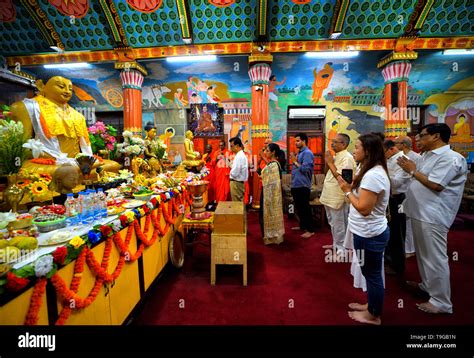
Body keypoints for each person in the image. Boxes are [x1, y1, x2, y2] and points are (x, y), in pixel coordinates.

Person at [397, 123, 468, 314]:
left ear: (436, 136)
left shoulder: (451, 158)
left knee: (435, 258)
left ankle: (441, 302)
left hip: (433, 214)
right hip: (420, 212)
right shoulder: (427, 155)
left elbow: (437, 185)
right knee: (424, 255)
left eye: (422, 135)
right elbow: (418, 177)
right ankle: (428, 287)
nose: (418, 139)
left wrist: (412, 170)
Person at [10, 75, 120, 177]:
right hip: (49, 163)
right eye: (61, 86)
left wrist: (85, 159)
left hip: (75, 162)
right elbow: (21, 149)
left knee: (112, 165)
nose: (67, 91)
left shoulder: (77, 115)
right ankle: (82, 173)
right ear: (41, 86)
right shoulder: (25, 108)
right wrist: (46, 155)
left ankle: (82, 172)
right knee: (60, 171)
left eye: (70, 89)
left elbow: (83, 149)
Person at [337, 133, 391, 325]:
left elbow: (364, 208)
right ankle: (371, 305)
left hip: (371, 234)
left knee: (373, 275)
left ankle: (374, 315)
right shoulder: (369, 170)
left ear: (368, 151)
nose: (354, 150)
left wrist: (347, 191)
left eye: (357, 147)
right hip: (365, 232)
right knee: (369, 272)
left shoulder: (374, 175)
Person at [320, 133, 355, 254]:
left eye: (335, 142)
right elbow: (327, 173)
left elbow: (343, 179)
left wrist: (330, 163)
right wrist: (327, 162)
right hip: (329, 194)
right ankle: (336, 244)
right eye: (332, 141)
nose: (332, 143)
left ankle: (342, 250)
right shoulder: (336, 156)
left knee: (339, 223)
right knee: (332, 222)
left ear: (344, 144)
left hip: (338, 196)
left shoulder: (347, 158)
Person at [383, 139, 412, 275]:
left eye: (383, 152)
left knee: (397, 233)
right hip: (389, 198)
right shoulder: (390, 160)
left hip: (398, 199)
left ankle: (397, 266)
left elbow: (397, 183)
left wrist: (381, 175)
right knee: (389, 231)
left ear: (390, 149)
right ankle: (389, 260)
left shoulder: (403, 160)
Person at [289, 133, 315, 239]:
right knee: (299, 208)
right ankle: (302, 226)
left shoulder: (307, 153)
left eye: (298, 141)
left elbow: (305, 169)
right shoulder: (299, 153)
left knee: (305, 208)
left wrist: (295, 161)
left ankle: (310, 230)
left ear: (304, 141)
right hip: (296, 184)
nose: (296, 143)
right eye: (295, 141)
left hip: (303, 185)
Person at [260, 143, 285, 245]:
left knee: (268, 214)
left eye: (267, 151)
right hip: (271, 192)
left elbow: (266, 177)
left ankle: (271, 237)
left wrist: (262, 176)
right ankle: (271, 236)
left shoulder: (274, 164)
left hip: (270, 194)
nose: (265, 153)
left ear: (273, 152)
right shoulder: (273, 164)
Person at [229, 137, 248, 202]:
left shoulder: (239, 156)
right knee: (239, 204)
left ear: (237, 146)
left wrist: (231, 169)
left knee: (237, 205)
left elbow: (234, 173)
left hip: (236, 183)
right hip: (238, 183)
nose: (230, 148)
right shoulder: (240, 155)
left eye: (231, 146)